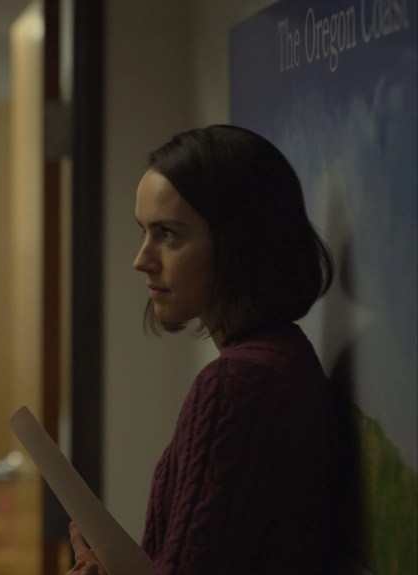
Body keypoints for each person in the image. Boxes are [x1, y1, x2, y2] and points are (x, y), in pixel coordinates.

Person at [68, 125, 339, 575]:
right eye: (144, 232)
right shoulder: (281, 358)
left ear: (241, 243)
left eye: (169, 235)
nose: (142, 259)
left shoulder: (238, 382)